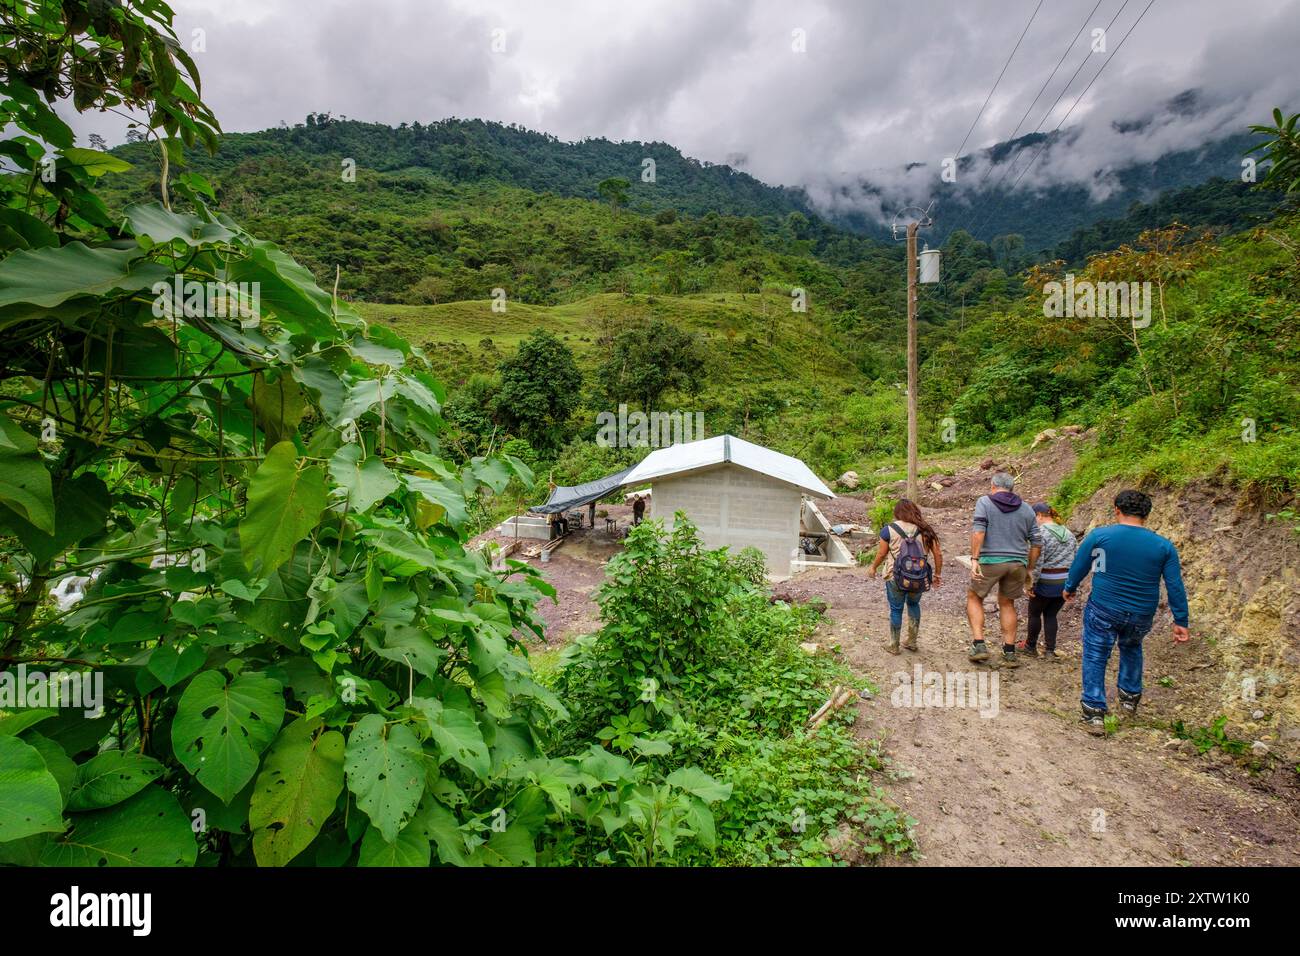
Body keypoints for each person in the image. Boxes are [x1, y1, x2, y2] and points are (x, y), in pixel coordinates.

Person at [1063, 489, 1190, 736]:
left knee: (1096, 654)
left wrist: (1070, 587)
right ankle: (1130, 697)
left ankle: (1094, 711)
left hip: (1104, 607)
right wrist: (1181, 620)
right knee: (1131, 648)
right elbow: (1175, 585)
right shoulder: (1164, 546)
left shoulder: (1100, 536)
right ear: (1147, 515)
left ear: (1117, 510)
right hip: (1142, 612)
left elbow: (1080, 565)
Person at [967, 471, 1041, 668]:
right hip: (1017, 562)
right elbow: (1036, 542)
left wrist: (975, 558)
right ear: (1012, 488)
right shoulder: (1027, 509)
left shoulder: (985, 502)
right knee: (1007, 603)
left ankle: (979, 645)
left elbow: (979, 530)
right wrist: (1030, 568)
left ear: (992, 486)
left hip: (991, 560)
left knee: (975, 597)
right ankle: (1009, 652)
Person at [866, 499, 943, 655]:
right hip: (919, 577)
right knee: (914, 605)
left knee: (896, 609)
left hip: (895, 576)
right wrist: (937, 574)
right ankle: (912, 642)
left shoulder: (889, 530)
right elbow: (938, 554)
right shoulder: (926, 530)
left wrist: (873, 567)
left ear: (897, 513)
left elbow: (881, 554)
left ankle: (894, 645)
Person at [1023, 503, 1077, 660]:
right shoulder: (1069, 533)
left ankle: (1030, 647)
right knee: (1051, 615)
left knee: (1034, 613)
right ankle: (1049, 651)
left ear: (1039, 515)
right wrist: (1072, 584)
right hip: (1063, 583)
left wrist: (1031, 583)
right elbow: (1075, 559)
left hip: (1046, 581)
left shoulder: (1040, 534)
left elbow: (1037, 562)